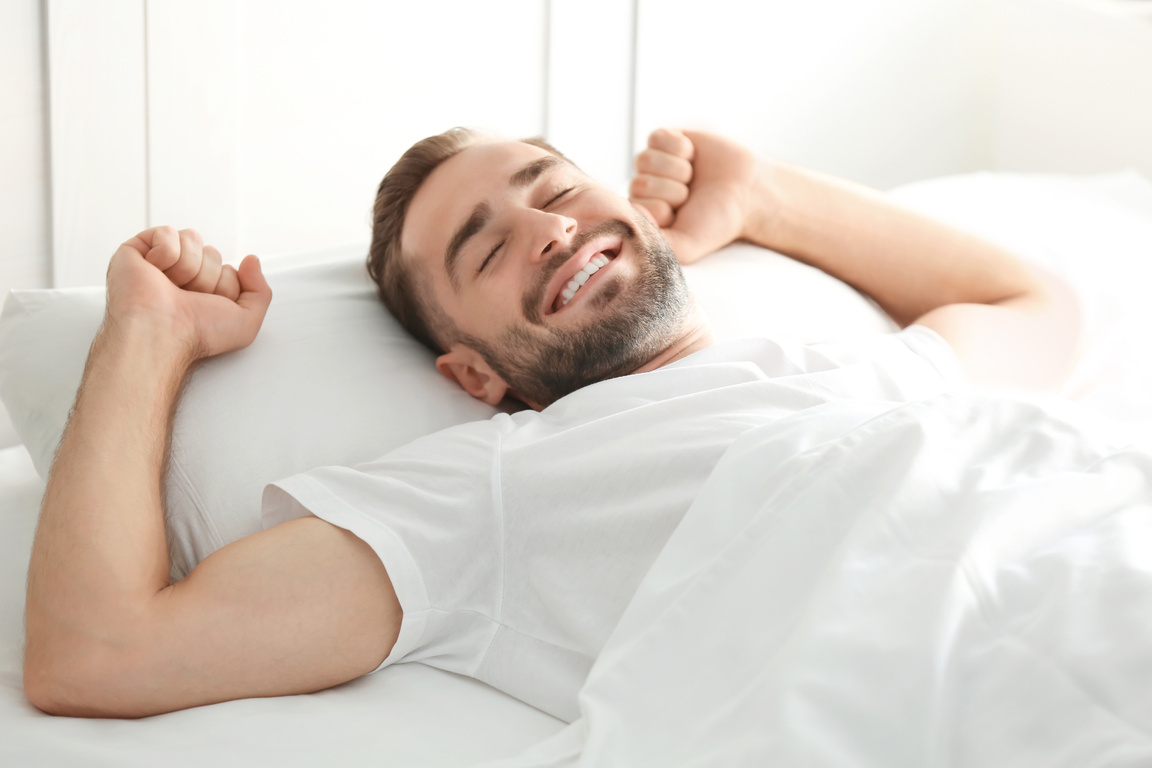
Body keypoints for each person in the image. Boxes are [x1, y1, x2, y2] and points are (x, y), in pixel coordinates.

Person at [21, 128, 1079, 719]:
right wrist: (148, 338)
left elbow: (1035, 307)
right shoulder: (498, 490)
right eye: (486, 250)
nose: (547, 228)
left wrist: (766, 197)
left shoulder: (846, 368)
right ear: (474, 374)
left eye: (555, 188)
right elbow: (101, 651)